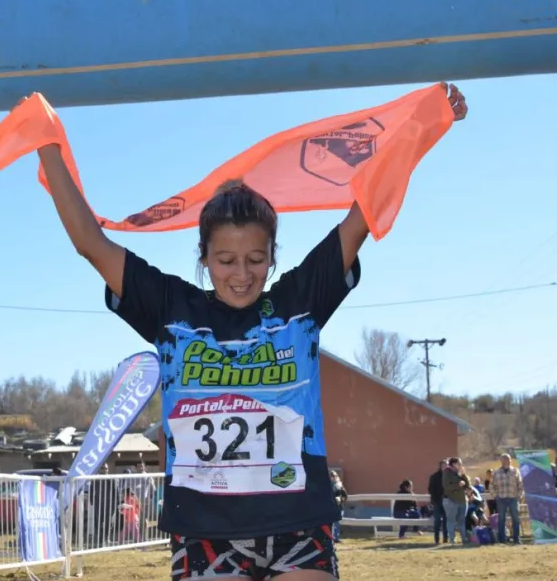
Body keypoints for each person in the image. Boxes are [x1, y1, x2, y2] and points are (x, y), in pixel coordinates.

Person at [37, 84, 469, 581]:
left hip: (299, 524)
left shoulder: (299, 302)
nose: (241, 274)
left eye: (255, 259)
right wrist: (46, 145)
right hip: (203, 530)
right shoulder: (171, 308)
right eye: (224, 260)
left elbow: (363, 215)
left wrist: (419, 130)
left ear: (273, 257)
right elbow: (91, 244)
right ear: (203, 257)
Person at [442, 458, 469, 545]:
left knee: (461, 521)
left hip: (462, 500)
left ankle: (464, 538)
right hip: (451, 500)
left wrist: (463, 475)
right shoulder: (447, 472)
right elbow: (447, 487)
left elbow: (467, 485)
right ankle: (452, 539)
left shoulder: (460, 472)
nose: (461, 465)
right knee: (451, 520)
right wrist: (458, 485)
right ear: (453, 464)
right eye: (459, 464)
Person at [428, 460, 449, 544]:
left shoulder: (449, 476)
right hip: (437, 501)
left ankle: (445, 538)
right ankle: (436, 539)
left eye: (446, 465)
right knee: (437, 520)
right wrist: (436, 498)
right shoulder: (434, 476)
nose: (445, 467)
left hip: (447, 501)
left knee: (446, 520)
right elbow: (430, 489)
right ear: (440, 466)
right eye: (444, 465)